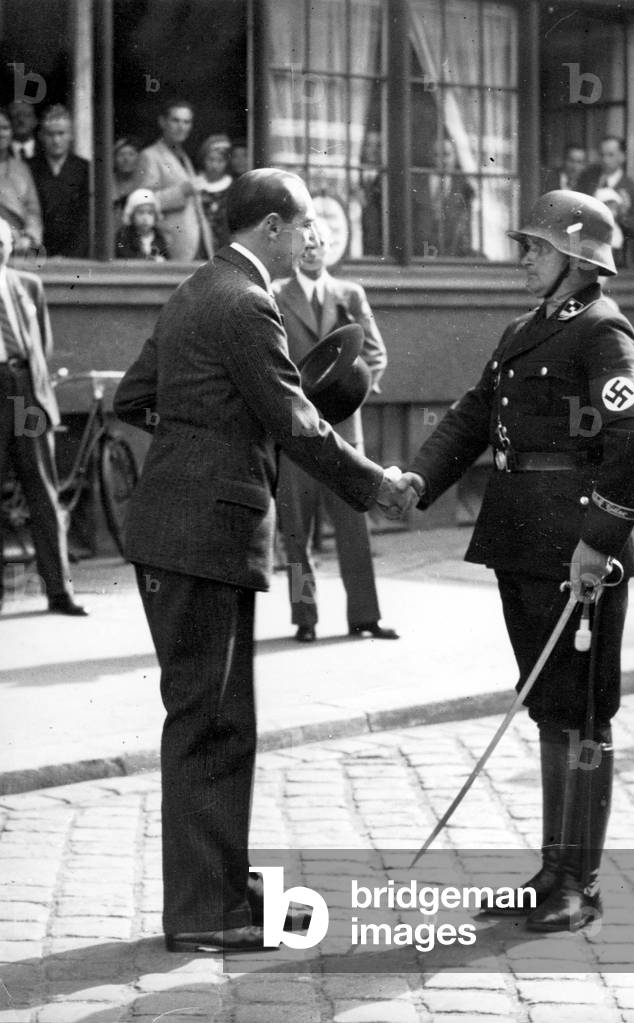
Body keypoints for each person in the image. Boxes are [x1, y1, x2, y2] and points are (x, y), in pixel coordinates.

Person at [113, 168, 416, 954]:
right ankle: (206, 913)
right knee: (213, 725)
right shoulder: (248, 302)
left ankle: (215, 882)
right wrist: (374, 483)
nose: (313, 235)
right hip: (208, 536)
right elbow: (294, 421)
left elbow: (133, 396)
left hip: (175, 529)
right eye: (305, 221)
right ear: (272, 228)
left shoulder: (192, 291)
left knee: (212, 718)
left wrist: (199, 438)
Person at [394, 190, 634, 932]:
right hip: (521, 538)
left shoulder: (604, 330)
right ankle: (552, 871)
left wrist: (596, 542)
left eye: (536, 248)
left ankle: (581, 881)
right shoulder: (526, 329)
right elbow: (475, 412)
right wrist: (420, 478)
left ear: (576, 261)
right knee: (548, 706)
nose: (523, 257)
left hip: (577, 546)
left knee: (582, 712)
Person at [274, 219, 396, 642]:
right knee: (295, 533)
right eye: (303, 244)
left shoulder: (350, 294)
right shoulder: (274, 294)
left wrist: (353, 391)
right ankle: (304, 618)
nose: (311, 250)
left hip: (344, 431)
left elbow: (376, 353)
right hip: (296, 431)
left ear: (330, 248)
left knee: (354, 530)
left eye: (318, 243)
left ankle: (365, 617)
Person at [0, 217, 87, 616]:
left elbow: (43, 344)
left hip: (27, 395)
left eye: (2, 242)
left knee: (43, 491)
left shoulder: (28, 285)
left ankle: (59, 591)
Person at [134, 99, 212, 262]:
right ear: (162, 122)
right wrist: (181, 192)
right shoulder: (150, 156)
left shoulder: (183, 156)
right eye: (175, 120)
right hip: (171, 245)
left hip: (197, 244)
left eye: (186, 122)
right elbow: (142, 203)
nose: (181, 126)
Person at [28, 106, 90, 258]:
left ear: (71, 135)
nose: (56, 140)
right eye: (50, 134)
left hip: (74, 256)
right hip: (36, 252)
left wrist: (69, 255)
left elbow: (86, 219)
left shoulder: (84, 169)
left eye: (61, 134)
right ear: (41, 136)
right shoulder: (29, 167)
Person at [577, 136, 634, 267]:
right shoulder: (587, 179)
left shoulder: (630, 188)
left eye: (610, 155)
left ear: (622, 157)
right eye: (602, 155)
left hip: (615, 256)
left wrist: (622, 214)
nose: (605, 160)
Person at [412, 136, 475, 258]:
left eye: (447, 155)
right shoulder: (416, 183)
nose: (443, 160)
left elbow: (466, 226)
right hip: (420, 254)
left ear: (455, 157)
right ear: (430, 157)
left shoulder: (463, 185)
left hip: (451, 255)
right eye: (437, 155)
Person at [0, 106, 43, 255]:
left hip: (18, 247)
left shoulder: (22, 169)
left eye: (5, 128)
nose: (1, 133)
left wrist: (29, 237)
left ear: (12, 132)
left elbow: (33, 210)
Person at [194, 134, 233, 250]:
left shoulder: (233, 187)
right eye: (210, 160)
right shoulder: (195, 184)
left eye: (220, 161)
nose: (214, 165)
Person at [115, 189, 169, 261]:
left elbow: (167, 259)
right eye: (141, 213)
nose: (145, 218)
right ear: (132, 216)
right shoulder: (123, 237)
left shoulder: (159, 237)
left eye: (150, 213)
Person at [112, 136, 141, 222]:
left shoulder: (143, 181)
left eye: (131, 154)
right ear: (113, 159)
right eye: (121, 155)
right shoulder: (108, 182)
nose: (126, 159)